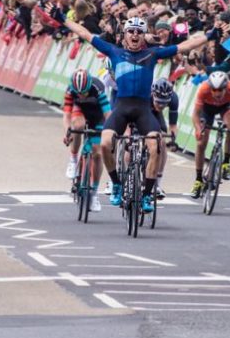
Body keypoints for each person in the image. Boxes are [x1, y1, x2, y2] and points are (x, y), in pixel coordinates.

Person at [63, 15, 214, 212]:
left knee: (155, 147)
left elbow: (185, 46)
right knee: (106, 143)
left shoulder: (152, 54)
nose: (135, 35)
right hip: (122, 108)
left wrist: (211, 35)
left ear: (143, 36)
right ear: (124, 35)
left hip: (143, 109)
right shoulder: (114, 51)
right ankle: (116, 184)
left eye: (139, 32)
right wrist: (61, 18)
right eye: (131, 31)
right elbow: (84, 33)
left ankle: (146, 196)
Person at [190, 71, 230, 198]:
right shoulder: (204, 89)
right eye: (214, 90)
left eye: (220, 90)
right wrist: (198, 129)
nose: (216, 93)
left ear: (226, 87)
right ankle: (198, 180)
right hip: (207, 110)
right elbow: (195, 114)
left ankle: (226, 162)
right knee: (201, 143)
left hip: (225, 107)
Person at [62, 69, 110, 213]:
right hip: (80, 112)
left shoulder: (97, 87)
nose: (82, 95)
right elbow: (67, 115)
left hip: (97, 115)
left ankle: (94, 193)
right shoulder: (71, 90)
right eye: (79, 93)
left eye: (84, 92)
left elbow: (108, 114)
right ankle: (73, 158)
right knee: (77, 126)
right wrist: (67, 132)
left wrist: (109, 133)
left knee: (97, 153)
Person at [149, 78, 179, 198]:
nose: (161, 105)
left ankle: (157, 184)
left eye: (164, 103)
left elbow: (173, 126)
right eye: (158, 102)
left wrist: (172, 140)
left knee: (161, 143)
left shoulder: (174, 99)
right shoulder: (145, 95)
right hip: (144, 111)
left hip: (157, 117)